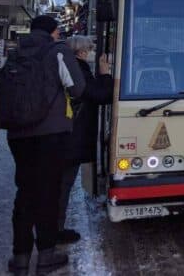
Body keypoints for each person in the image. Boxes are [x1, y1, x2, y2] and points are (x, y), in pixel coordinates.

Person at [7, 16, 85, 276]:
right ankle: (46, 256)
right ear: (53, 32)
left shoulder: (17, 53)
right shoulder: (57, 51)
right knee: (48, 194)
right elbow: (77, 88)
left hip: (18, 134)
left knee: (25, 192)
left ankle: (20, 257)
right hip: (51, 133)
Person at [57, 35, 113, 245]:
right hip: (71, 137)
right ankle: (55, 231)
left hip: (64, 135)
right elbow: (100, 95)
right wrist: (105, 74)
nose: (90, 52)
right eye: (89, 49)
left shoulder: (71, 68)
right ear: (80, 52)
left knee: (61, 185)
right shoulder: (78, 70)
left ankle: (54, 228)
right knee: (62, 185)